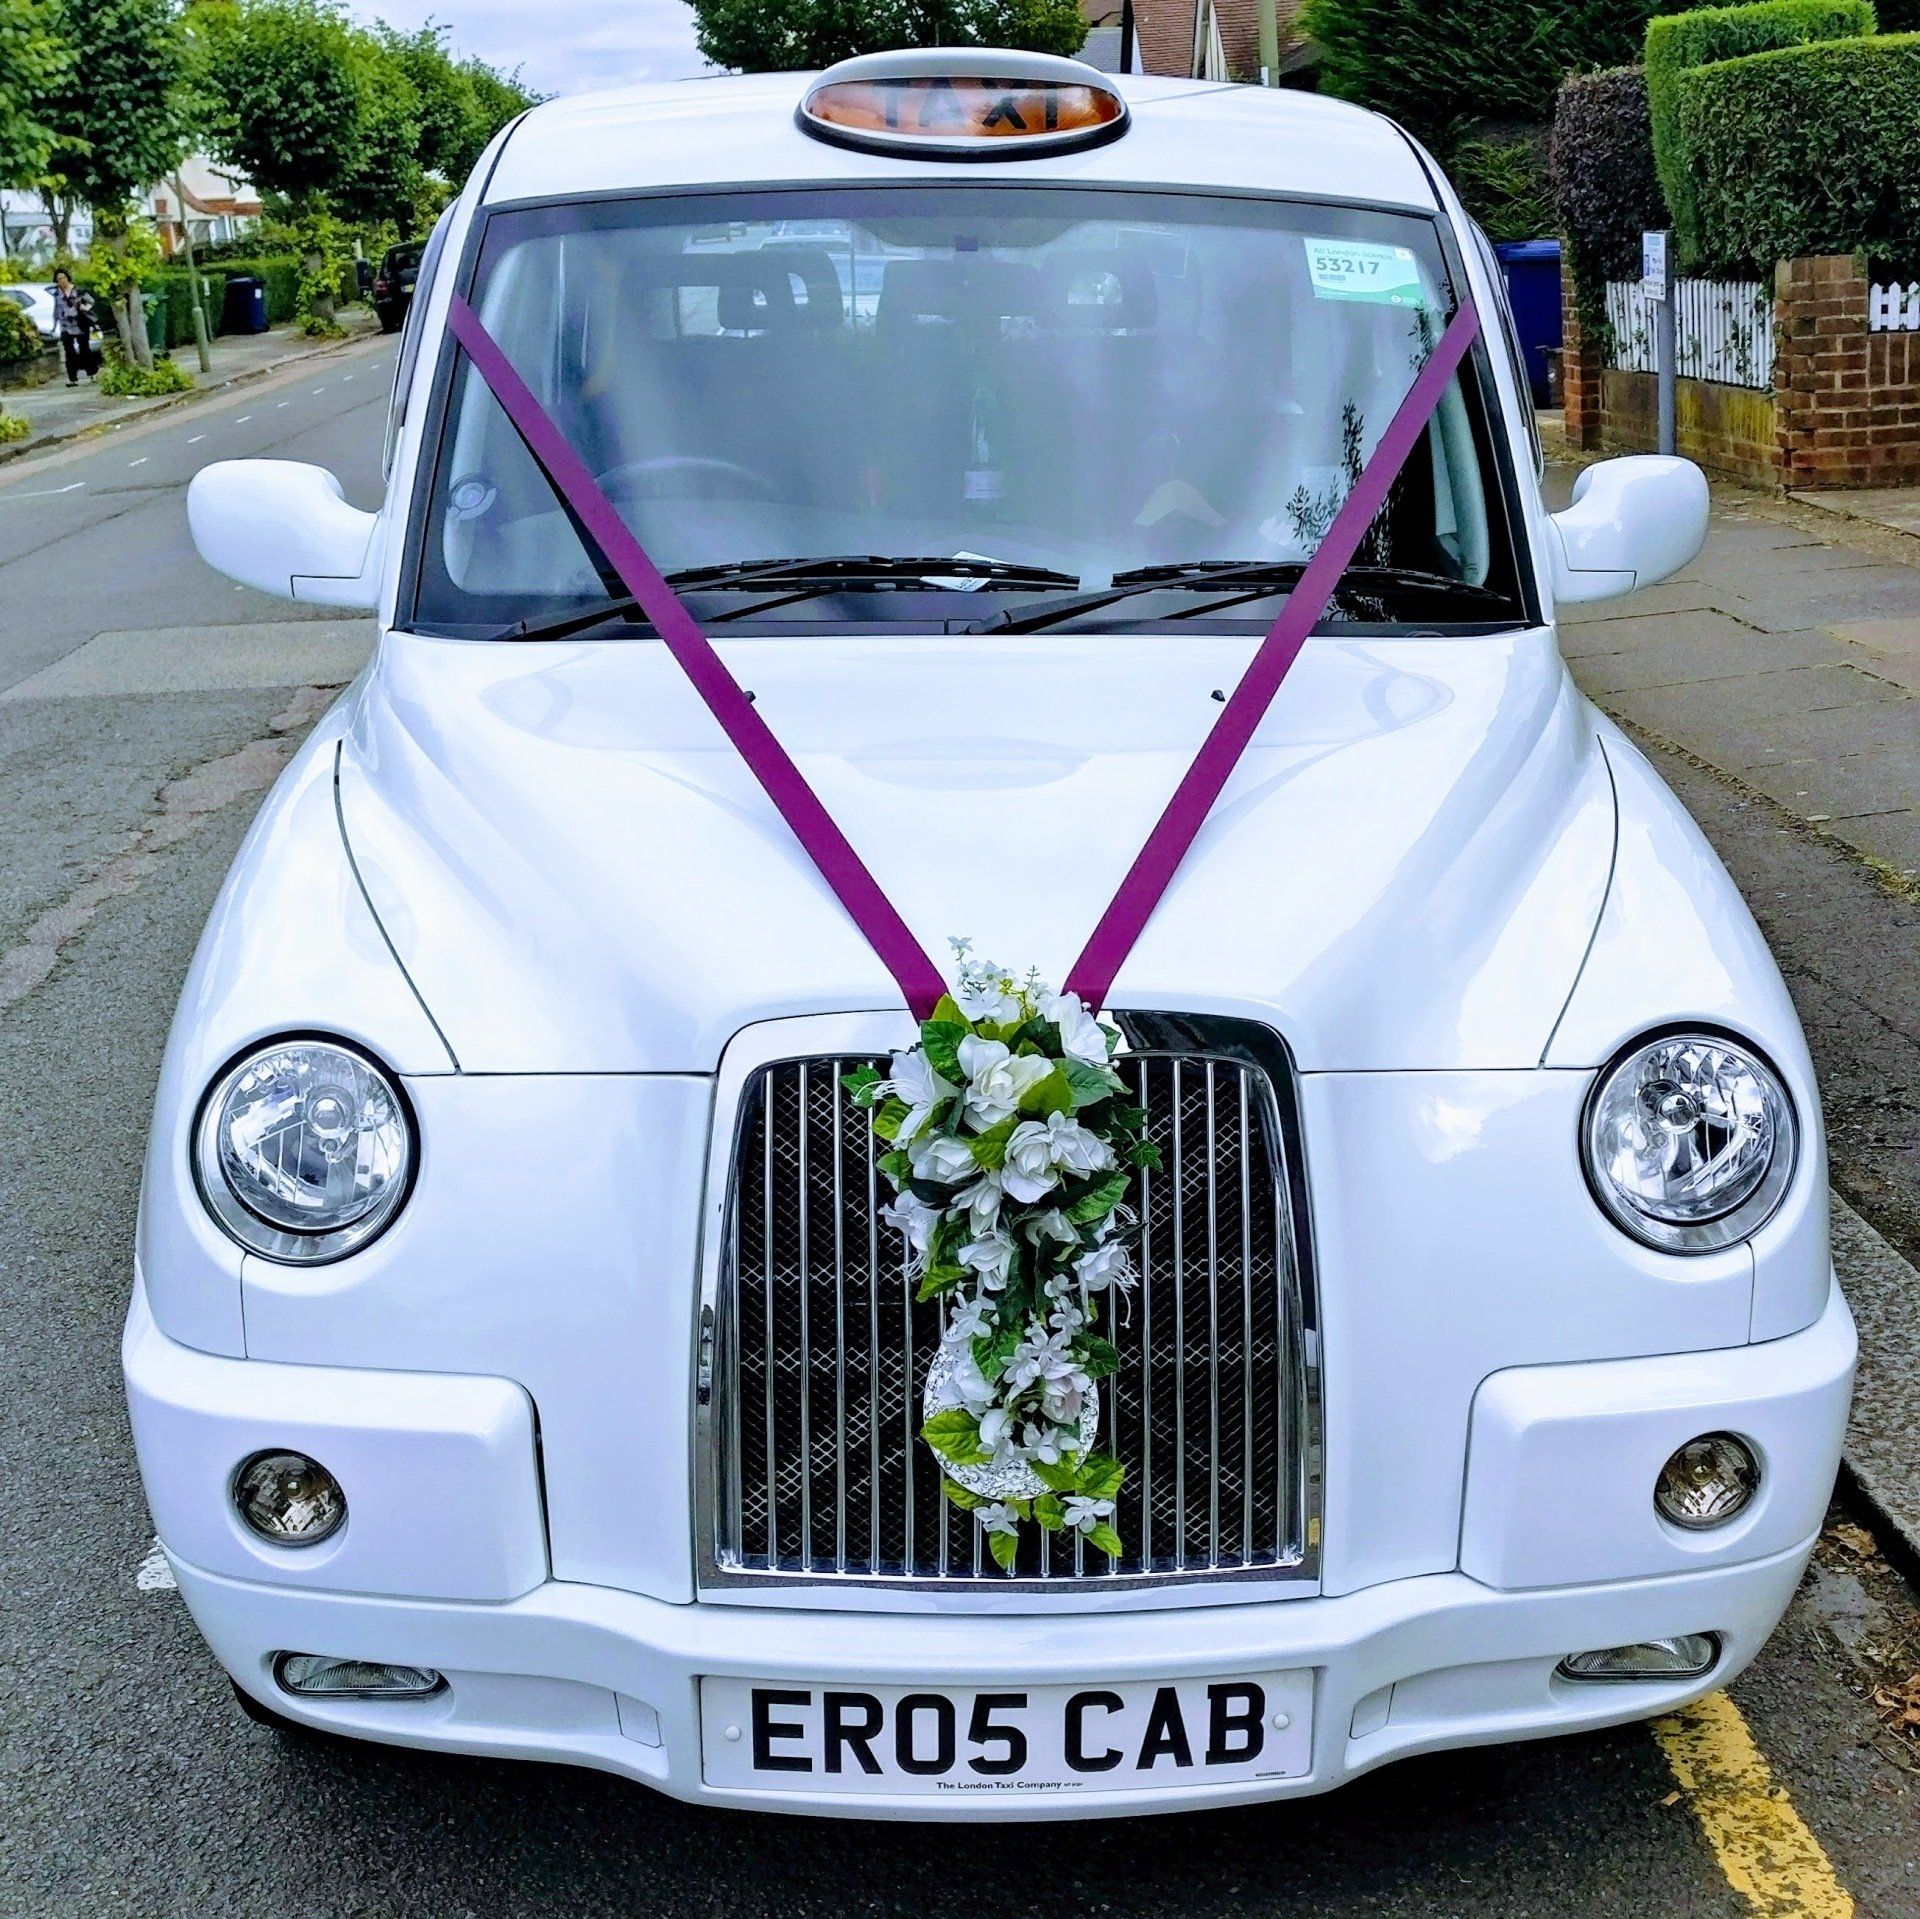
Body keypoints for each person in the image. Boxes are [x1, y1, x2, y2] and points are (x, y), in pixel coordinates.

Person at [51, 269, 96, 386]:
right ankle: (73, 378)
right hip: (65, 325)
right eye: (59, 279)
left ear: (68, 278)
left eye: (63, 278)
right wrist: (55, 324)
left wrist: (85, 308)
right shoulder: (57, 294)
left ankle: (92, 373)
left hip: (80, 323)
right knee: (69, 352)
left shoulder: (78, 290)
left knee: (84, 349)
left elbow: (91, 301)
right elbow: (57, 309)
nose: (62, 281)